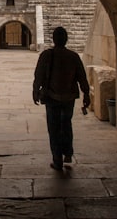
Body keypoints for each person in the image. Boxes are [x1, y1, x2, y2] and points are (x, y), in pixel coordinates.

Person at [33, 26, 91, 170]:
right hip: (68, 97)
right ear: (66, 40)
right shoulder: (73, 56)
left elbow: (38, 75)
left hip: (52, 97)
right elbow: (82, 77)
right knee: (66, 124)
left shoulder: (47, 55)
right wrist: (86, 94)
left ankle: (57, 158)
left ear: (54, 39)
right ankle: (68, 153)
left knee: (53, 127)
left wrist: (35, 91)